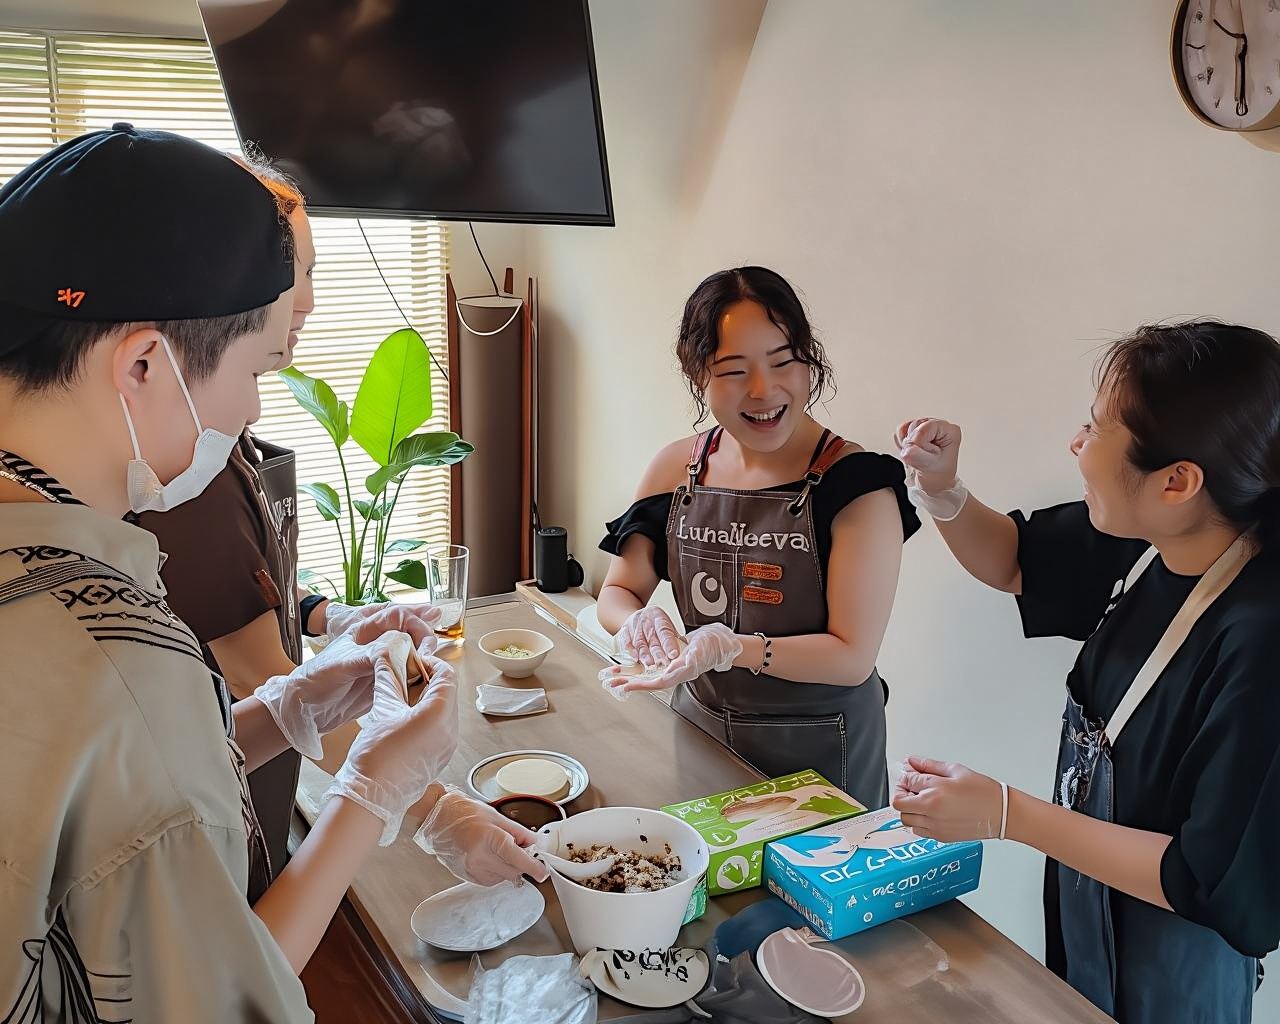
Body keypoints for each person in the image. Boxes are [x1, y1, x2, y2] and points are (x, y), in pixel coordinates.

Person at [0, 126, 544, 1023]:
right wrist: (376, 790)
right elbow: (225, 997)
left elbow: (93, 813)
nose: (255, 403)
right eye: (257, 365)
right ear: (141, 364)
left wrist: (285, 711)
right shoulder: (115, 655)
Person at [891, 321, 1280, 1023]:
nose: (1076, 444)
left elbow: (1203, 876)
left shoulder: (1258, 639)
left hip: (1178, 969)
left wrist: (1007, 814)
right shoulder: (1148, 542)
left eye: (1095, 426)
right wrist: (942, 489)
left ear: (1177, 481)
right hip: (1086, 921)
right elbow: (1016, 561)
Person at [136, 155, 439, 884]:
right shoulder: (180, 455)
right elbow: (255, 668)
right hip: (210, 804)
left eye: (309, 269)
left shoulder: (216, 426)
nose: (304, 297)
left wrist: (321, 616)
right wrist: (430, 809)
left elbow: (250, 578)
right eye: (292, 269)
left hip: (249, 778)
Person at [596, 267, 919, 808]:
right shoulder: (677, 468)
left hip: (824, 749)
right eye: (733, 370)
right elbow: (617, 592)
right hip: (700, 728)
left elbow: (851, 656)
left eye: (783, 361)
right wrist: (640, 623)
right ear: (695, 371)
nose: (765, 391)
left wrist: (731, 649)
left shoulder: (857, 485)